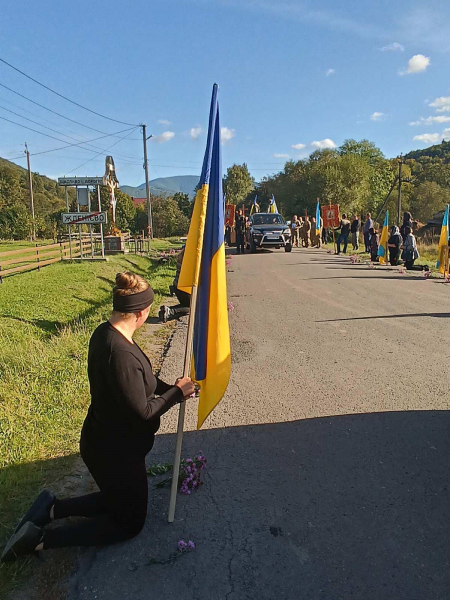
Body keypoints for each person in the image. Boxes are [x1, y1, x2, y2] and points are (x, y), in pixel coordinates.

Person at [1, 272, 195, 562]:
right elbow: (143, 412)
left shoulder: (107, 333)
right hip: (113, 453)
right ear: (140, 312)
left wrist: (176, 388)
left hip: (105, 442)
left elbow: (144, 383)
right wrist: (177, 394)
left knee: (119, 499)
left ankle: (50, 509)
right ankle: (40, 540)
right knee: (130, 522)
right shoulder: (120, 355)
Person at [159, 248, 190, 322]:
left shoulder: (183, 255)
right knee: (193, 307)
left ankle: (168, 310)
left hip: (177, 286)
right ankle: (170, 311)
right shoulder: (191, 260)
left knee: (185, 304)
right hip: (185, 288)